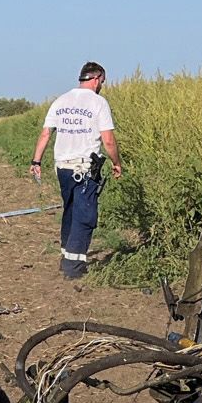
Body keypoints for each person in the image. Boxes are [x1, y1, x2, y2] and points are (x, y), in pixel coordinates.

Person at [30, 62, 123, 279]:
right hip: (85, 169)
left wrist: (36, 161)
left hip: (62, 167)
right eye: (103, 82)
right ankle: (73, 267)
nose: (102, 86)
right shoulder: (99, 103)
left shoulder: (60, 101)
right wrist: (117, 162)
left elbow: (46, 134)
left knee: (70, 211)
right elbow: (108, 140)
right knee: (85, 215)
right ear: (97, 78)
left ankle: (66, 257)